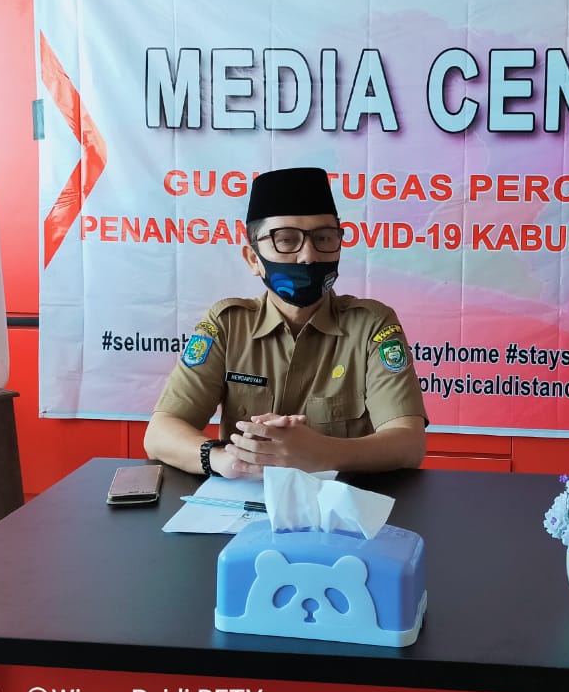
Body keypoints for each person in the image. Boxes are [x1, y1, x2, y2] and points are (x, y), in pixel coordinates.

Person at [145, 166, 427, 479]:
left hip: (343, 511)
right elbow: (159, 433)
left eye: (324, 238)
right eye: (286, 239)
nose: (309, 256)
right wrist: (228, 459)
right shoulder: (228, 325)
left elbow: (408, 443)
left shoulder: (371, 325)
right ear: (253, 259)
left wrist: (319, 453)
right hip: (242, 506)